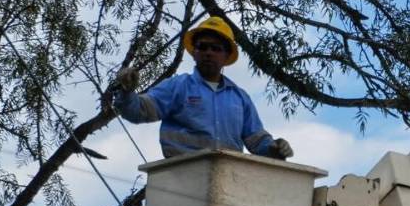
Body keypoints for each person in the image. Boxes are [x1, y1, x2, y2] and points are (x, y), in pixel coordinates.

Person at [110, 16, 293, 160]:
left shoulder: (239, 98)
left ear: (226, 55)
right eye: (202, 46)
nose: (208, 52)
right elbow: (138, 111)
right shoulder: (178, 87)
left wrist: (275, 148)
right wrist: (127, 91)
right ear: (194, 52)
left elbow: (257, 141)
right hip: (182, 175)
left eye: (216, 48)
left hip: (228, 178)